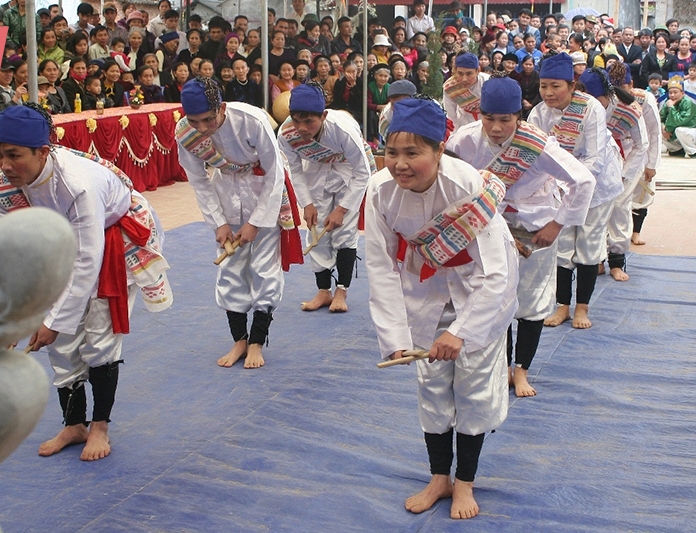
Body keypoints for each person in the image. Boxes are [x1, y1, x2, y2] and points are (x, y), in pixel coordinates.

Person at [366, 96, 518, 519]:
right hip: (425, 291)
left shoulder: (467, 185)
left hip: (479, 291)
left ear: (438, 149)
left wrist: (462, 331)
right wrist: (395, 337)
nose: (399, 164)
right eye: (391, 152)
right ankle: (439, 477)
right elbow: (380, 267)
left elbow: (495, 272)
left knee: (473, 391)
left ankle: (465, 482)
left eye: (413, 153)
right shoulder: (378, 191)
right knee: (431, 388)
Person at [0, 104, 171, 461]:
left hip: (113, 237)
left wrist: (54, 321)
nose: (4, 166)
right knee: (61, 344)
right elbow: (13, 252)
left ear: (43, 152)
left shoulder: (77, 185)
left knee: (99, 335)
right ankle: (74, 424)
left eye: (14, 155)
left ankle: (100, 426)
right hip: (62, 244)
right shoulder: (5, 185)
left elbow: (87, 260)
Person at [447, 74, 594, 395]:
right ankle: (500, 367)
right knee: (494, 301)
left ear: (519, 116)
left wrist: (557, 224)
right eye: (489, 118)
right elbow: (450, 179)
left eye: (505, 119)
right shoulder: (463, 140)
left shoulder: (537, 145)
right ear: (480, 114)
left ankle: (521, 370)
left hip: (533, 229)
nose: (496, 127)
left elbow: (583, 181)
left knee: (531, 305)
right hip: (488, 228)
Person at [175, 77, 302, 369]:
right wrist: (218, 223)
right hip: (226, 196)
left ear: (221, 108)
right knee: (231, 270)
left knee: (263, 269)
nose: (202, 129)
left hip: (264, 194)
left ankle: (257, 341)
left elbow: (274, 172)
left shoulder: (251, 120)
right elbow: (198, 180)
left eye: (208, 119)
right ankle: (239, 341)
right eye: (194, 122)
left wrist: (257, 222)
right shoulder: (186, 133)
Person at [526, 55, 621, 331]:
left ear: (572, 84)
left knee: (589, 246)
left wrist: (574, 189)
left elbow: (595, 158)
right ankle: (562, 306)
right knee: (563, 246)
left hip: (597, 186)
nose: (548, 93)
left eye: (555, 86)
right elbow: (536, 156)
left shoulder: (590, 108)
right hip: (559, 188)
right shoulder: (538, 113)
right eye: (543, 86)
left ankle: (582, 307)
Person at [278, 82, 375, 313]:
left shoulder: (342, 130)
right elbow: (295, 170)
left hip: (348, 173)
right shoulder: (287, 134)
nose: (301, 128)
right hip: (315, 172)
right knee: (316, 233)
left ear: (323, 115)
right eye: (296, 120)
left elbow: (362, 172)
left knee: (344, 233)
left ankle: (342, 290)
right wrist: (307, 204)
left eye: (309, 122)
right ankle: (323, 291)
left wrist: (342, 209)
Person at [595, 64, 649, 282]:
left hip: (627, 162)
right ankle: (596, 259)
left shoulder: (630, 107)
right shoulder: (586, 107)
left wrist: (626, 174)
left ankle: (616, 261)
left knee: (619, 208)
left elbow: (642, 143)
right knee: (595, 212)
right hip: (598, 164)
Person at [629, 70, 663, 246]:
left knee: (640, 195)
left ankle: (635, 232)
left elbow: (655, 132)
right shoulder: (606, 98)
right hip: (618, 152)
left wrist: (652, 164)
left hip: (642, 150)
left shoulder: (645, 99)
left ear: (631, 84)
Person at [443, 53, 490, 130]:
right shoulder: (450, 87)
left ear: (478, 70)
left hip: (486, 121)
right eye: (460, 74)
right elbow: (451, 116)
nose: (464, 79)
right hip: (463, 123)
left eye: (469, 74)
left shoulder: (488, 82)